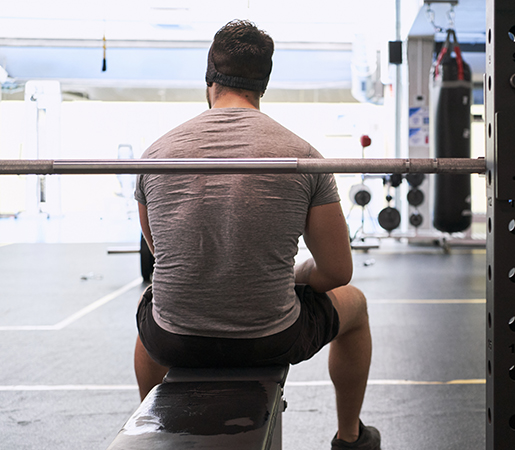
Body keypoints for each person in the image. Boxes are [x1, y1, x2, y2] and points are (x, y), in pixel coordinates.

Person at [133, 19, 380, 450]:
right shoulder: (303, 157)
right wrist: (297, 275)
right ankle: (350, 436)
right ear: (263, 84)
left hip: (174, 341)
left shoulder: (157, 153)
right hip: (268, 339)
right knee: (354, 308)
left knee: (151, 310)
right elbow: (338, 271)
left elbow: (162, 254)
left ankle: (156, 430)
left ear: (209, 79)